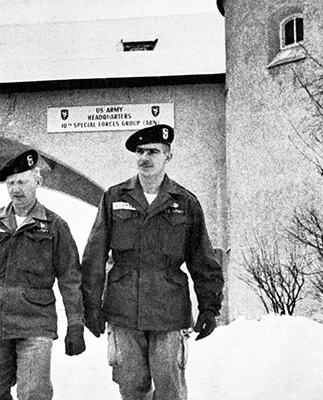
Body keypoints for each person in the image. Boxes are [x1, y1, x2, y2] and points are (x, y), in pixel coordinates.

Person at [81, 124, 224, 400]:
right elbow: (94, 256)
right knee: (131, 388)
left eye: (153, 152)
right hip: (123, 311)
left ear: (167, 156)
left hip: (168, 311)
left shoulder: (185, 202)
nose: (144, 158)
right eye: (140, 152)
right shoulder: (114, 197)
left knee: (170, 390)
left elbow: (202, 259)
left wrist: (209, 307)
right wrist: (91, 305)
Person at [0, 149, 86, 400]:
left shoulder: (55, 226)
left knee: (33, 394)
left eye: (22, 181)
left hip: (35, 323)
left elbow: (70, 279)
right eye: (10, 183)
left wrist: (75, 325)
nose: (16, 189)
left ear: (38, 181)